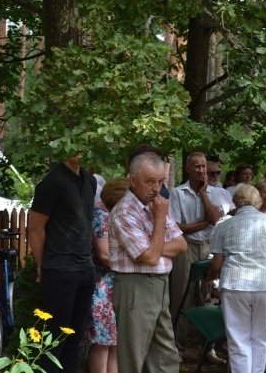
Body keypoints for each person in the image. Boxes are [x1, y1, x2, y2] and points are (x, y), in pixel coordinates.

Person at [109, 152, 187, 373]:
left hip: (160, 285)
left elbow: (181, 245)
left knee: (165, 356)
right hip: (135, 287)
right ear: (133, 180)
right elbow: (150, 258)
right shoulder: (125, 212)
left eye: (160, 181)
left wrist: (153, 245)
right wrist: (161, 220)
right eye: (150, 181)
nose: (156, 188)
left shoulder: (155, 205)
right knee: (133, 358)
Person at [207, 184, 266, 373]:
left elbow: (216, 264)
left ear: (235, 202)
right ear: (258, 201)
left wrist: (210, 277)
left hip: (235, 284)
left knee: (239, 339)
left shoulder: (224, 225)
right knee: (261, 337)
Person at [28, 155, 96, 373]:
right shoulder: (52, 182)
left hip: (86, 268)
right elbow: (35, 229)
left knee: (74, 338)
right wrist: (42, 264)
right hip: (60, 270)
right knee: (55, 340)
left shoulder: (89, 180)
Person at [169, 152, 225, 363]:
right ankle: (177, 349)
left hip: (209, 247)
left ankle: (208, 350)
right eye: (197, 167)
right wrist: (204, 222)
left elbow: (217, 220)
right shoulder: (178, 193)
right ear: (188, 169)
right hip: (186, 247)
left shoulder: (214, 192)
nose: (202, 171)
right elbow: (176, 227)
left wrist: (203, 194)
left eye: (204, 167)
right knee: (181, 297)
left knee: (210, 297)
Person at [86, 177, 130, 373]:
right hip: (101, 286)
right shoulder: (100, 215)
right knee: (103, 343)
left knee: (114, 343)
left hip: (113, 284)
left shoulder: (110, 214)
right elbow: (104, 254)